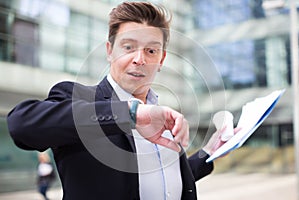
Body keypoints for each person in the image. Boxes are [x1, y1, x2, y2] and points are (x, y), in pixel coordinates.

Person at [7, 2, 233, 200]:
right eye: (128, 47)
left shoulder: (164, 119)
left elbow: (163, 182)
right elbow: (21, 124)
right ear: (109, 51)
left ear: (161, 59)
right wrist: (130, 114)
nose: (139, 59)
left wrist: (209, 152)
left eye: (151, 50)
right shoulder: (79, 98)